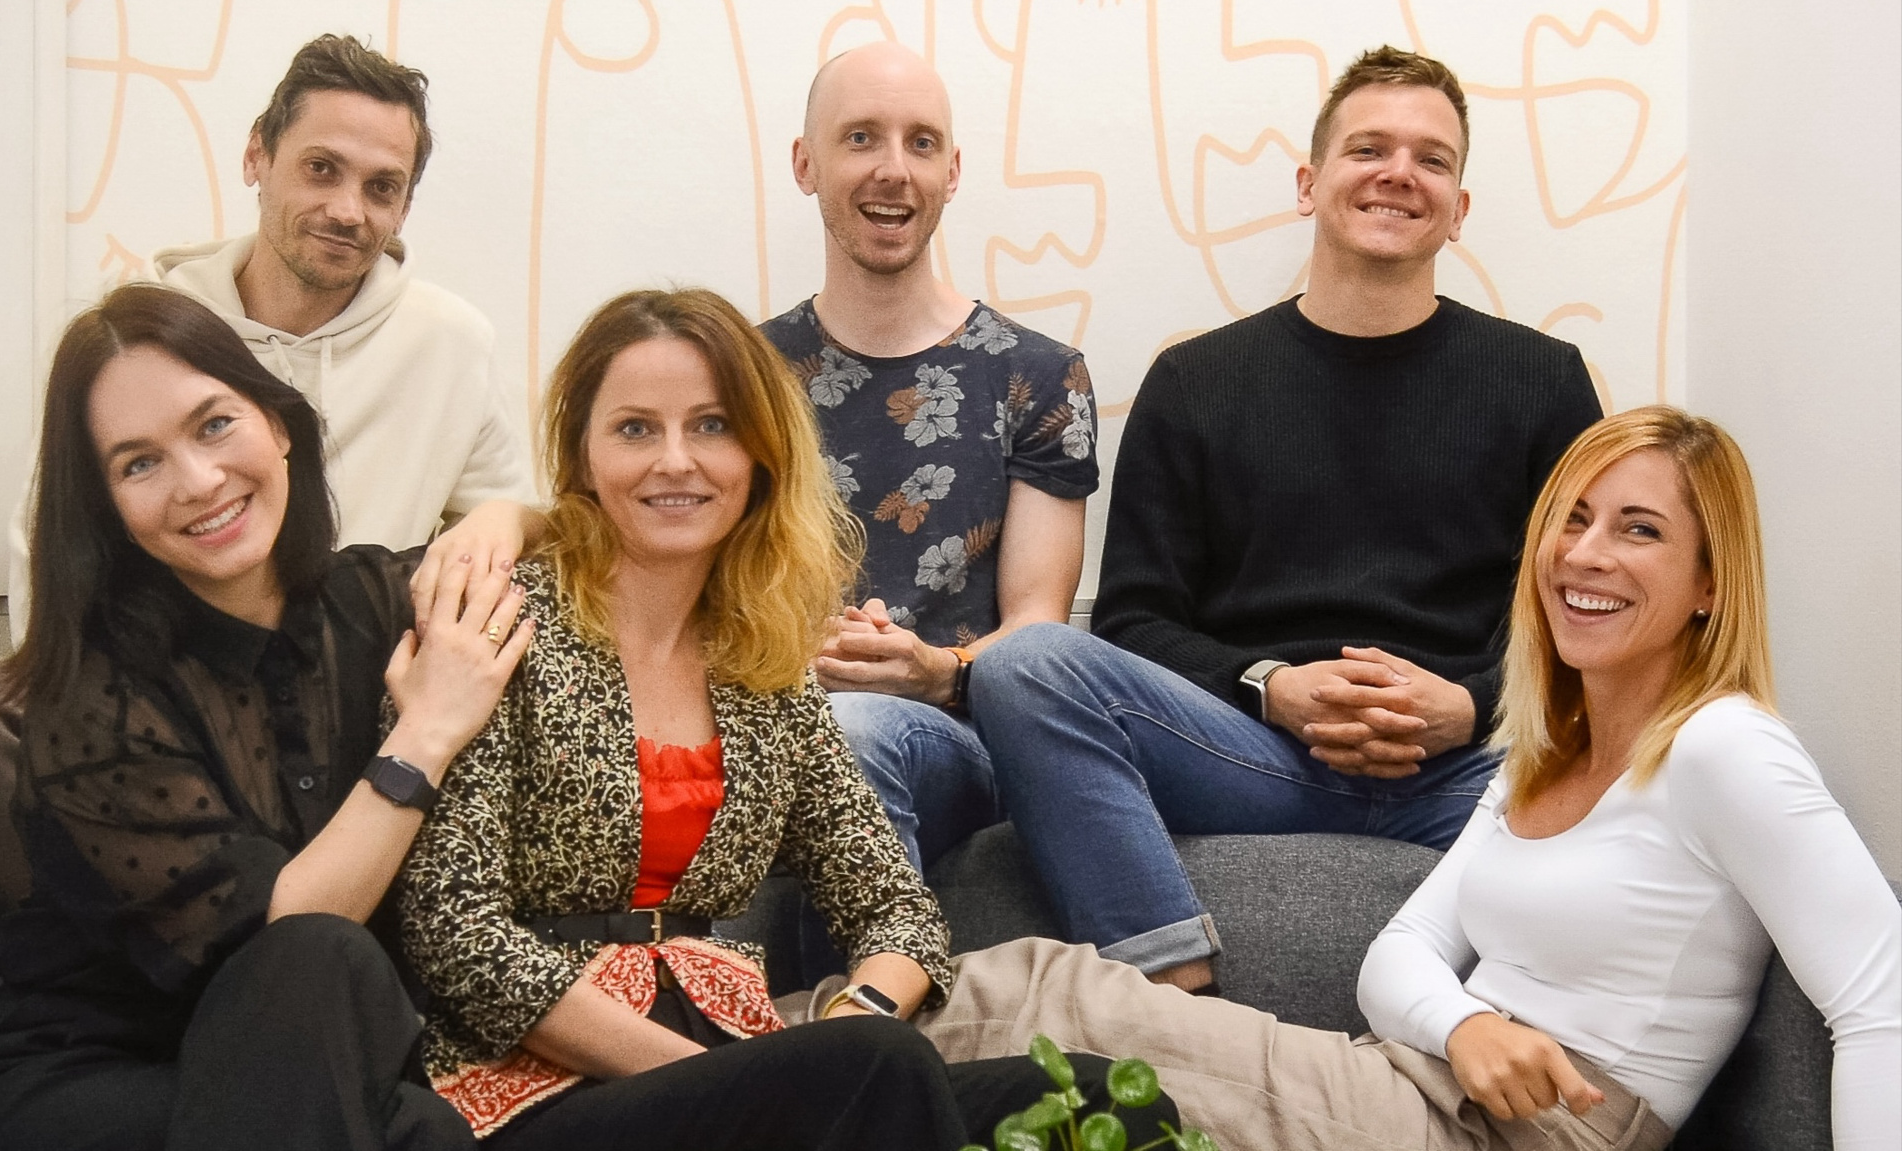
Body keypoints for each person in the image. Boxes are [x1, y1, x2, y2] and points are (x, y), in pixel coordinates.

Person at [907, 407, 1901, 1150]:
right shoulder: (1537, 755)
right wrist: (1464, 1021)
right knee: (1043, 998)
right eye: (1573, 517)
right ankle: (780, 1046)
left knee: (1058, 1008)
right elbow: (1400, 955)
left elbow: (1877, 998)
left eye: (1637, 529)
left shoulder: (1723, 746)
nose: (1582, 554)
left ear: (1708, 584)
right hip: (1418, 1083)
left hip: (1541, 1130)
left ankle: (770, 1060)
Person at [397, 288, 1175, 1149]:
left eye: (712, 426)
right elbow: (452, 930)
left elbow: (895, 909)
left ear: (760, 454)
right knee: (875, 1071)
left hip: (737, 1058)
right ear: (581, 457)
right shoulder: (503, 625)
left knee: (1103, 1100)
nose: (675, 461)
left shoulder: (765, 666)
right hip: (534, 1094)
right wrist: (751, 1077)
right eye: (634, 428)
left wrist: (859, 1010)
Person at [965, 45, 1605, 992]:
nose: (1399, 173)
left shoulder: (1544, 381)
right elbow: (1136, 619)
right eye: (1369, 149)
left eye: (1432, 159)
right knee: (1024, 664)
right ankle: (1171, 990)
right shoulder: (1194, 381)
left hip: (1475, 767)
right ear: (1310, 184)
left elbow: (1583, 611)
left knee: (1699, 753)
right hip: (1253, 751)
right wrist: (1273, 685)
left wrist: (1467, 704)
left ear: (1460, 209)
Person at [0, 33, 537, 923]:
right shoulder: (147, 330)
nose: (347, 208)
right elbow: (57, 538)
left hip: (351, 723)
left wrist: (498, 523)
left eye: (381, 187)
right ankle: (114, 957)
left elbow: (528, 518)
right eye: (320, 168)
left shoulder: (452, 341)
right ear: (256, 157)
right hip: (155, 712)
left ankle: (241, 957)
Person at [0, 283, 536, 1150]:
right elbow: (287, 935)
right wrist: (425, 734)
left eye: (215, 425)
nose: (198, 481)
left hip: (305, 1072)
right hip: (81, 1088)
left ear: (279, 424)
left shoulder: (370, 599)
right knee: (333, 971)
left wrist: (500, 517)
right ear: (106, 507)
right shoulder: (92, 694)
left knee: (422, 1122)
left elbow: (571, 537)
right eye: (139, 463)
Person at [758, 42, 1098, 877]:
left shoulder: (1041, 375)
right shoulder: (743, 378)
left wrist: (935, 671)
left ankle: (870, 999)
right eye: (861, 138)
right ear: (806, 164)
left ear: (952, 171)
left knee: (860, 732)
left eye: (920, 143)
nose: (892, 170)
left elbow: (1036, 629)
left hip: (963, 738)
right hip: (770, 719)